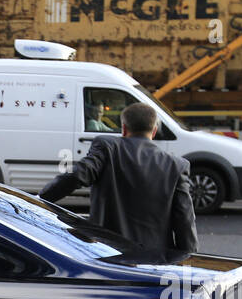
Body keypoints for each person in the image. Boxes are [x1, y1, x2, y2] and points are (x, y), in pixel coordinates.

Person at [41, 101, 198, 259]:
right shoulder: (177, 165)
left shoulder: (107, 147)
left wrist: (39, 200)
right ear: (154, 131)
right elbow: (184, 220)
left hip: (107, 253)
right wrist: (190, 260)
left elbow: (76, 176)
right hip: (153, 259)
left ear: (123, 128)